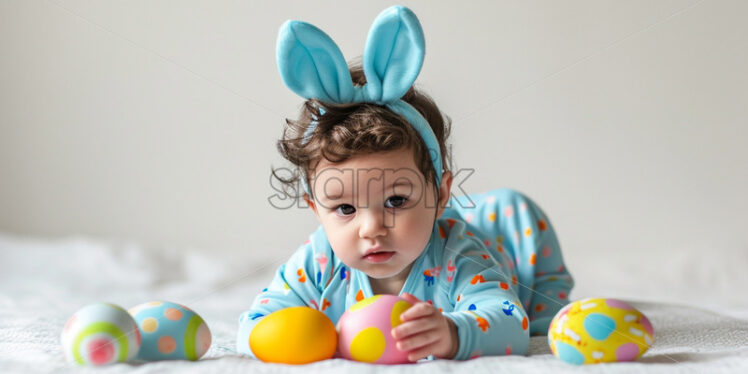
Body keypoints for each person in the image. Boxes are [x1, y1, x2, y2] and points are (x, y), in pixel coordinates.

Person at [237, 5, 573, 361]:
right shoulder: (318, 262)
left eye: (396, 201)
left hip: (512, 244)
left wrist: (454, 334)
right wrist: (291, 336)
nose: (372, 228)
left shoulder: (458, 255)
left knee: (519, 223)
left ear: (440, 195)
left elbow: (509, 322)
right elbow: (255, 324)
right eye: (345, 208)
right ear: (317, 211)